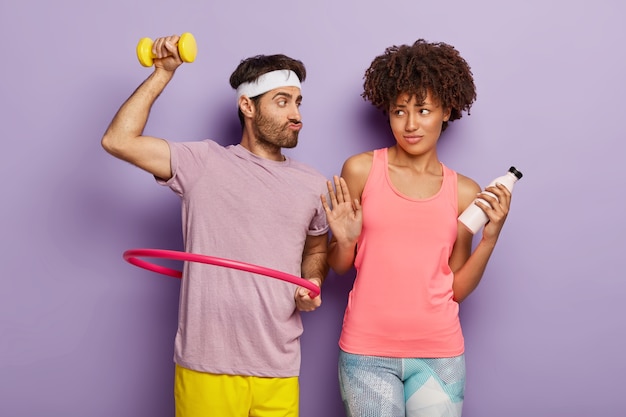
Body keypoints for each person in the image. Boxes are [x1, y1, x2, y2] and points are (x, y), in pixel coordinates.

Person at [101, 34, 329, 417]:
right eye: (282, 101)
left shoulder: (315, 184)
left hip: (279, 367)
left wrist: (314, 282)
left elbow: (318, 249)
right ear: (247, 106)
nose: (297, 115)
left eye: (298, 101)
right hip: (207, 364)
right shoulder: (202, 162)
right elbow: (118, 140)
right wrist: (162, 73)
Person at [321, 39, 514, 416]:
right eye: (399, 111)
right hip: (366, 352)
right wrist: (344, 241)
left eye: (423, 110)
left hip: (439, 353)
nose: (410, 125)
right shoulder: (360, 170)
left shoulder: (465, 192)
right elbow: (340, 265)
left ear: (447, 111)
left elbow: (455, 289)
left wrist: (489, 240)